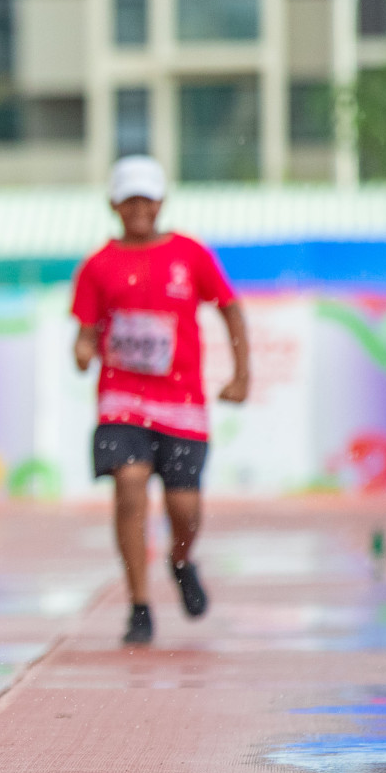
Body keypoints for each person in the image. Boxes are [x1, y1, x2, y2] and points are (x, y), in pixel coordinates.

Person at [71, 155, 251, 645]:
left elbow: (231, 310)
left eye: (146, 198)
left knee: (184, 507)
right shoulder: (97, 266)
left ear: (161, 202)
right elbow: (85, 332)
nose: (138, 208)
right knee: (129, 485)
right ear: (114, 204)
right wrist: (84, 351)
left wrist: (241, 376)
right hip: (122, 399)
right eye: (128, 199)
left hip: (181, 401)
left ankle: (180, 559)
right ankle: (139, 605)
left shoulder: (190, 254)